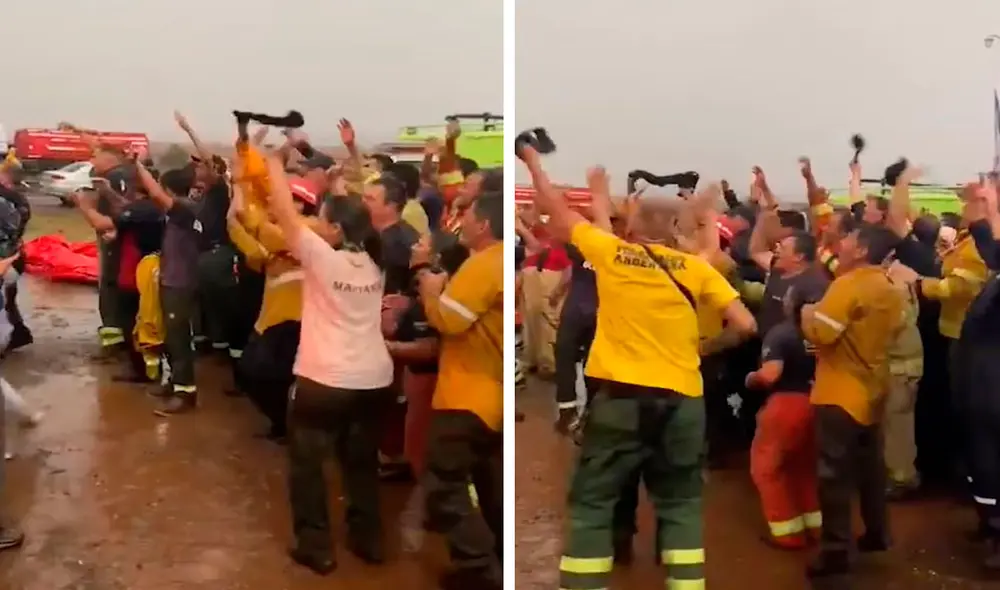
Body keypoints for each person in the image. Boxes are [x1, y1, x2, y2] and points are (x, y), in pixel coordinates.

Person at [520, 145, 757, 590]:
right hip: (682, 401)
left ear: (632, 225)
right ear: (674, 229)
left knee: (593, 501)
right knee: (681, 504)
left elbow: (555, 210)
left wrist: (534, 163)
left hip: (620, 400)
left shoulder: (610, 253)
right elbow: (745, 323)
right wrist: (702, 348)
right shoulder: (695, 268)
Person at [263, 155, 393, 576]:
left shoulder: (322, 258)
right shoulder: (375, 263)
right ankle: (368, 540)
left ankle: (316, 546)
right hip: (374, 379)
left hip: (324, 379)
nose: (315, 225)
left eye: (321, 220)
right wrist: (338, 185)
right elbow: (347, 219)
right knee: (360, 463)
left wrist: (274, 166)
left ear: (335, 229)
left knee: (307, 465)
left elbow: (284, 213)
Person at [799, 223, 905, 579]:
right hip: (873, 390)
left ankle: (835, 552)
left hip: (839, 392)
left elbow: (822, 332)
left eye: (848, 239)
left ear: (861, 250)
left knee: (833, 477)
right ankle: (877, 532)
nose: (841, 243)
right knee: (871, 470)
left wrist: (807, 313)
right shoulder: (890, 287)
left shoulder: (848, 285)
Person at [411, 190, 503, 590]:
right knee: (489, 484)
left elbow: (449, 321)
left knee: (443, 484)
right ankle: (496, 557)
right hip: (489, 396)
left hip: (467, 395)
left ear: (484, 224)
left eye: (467, 215)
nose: (460, 220)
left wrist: (429, 287)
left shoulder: (485, 264)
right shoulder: (495, 262)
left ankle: (478, 566)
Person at [745, 287, 822, 550]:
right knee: (805, 468)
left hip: (786, 405)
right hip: (819, 402)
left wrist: (750, 379)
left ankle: (788, 533)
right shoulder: (821, 332)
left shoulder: (782, 334)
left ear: (790, 305)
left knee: (768, 468)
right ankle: (817, 527)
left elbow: (770, 374)